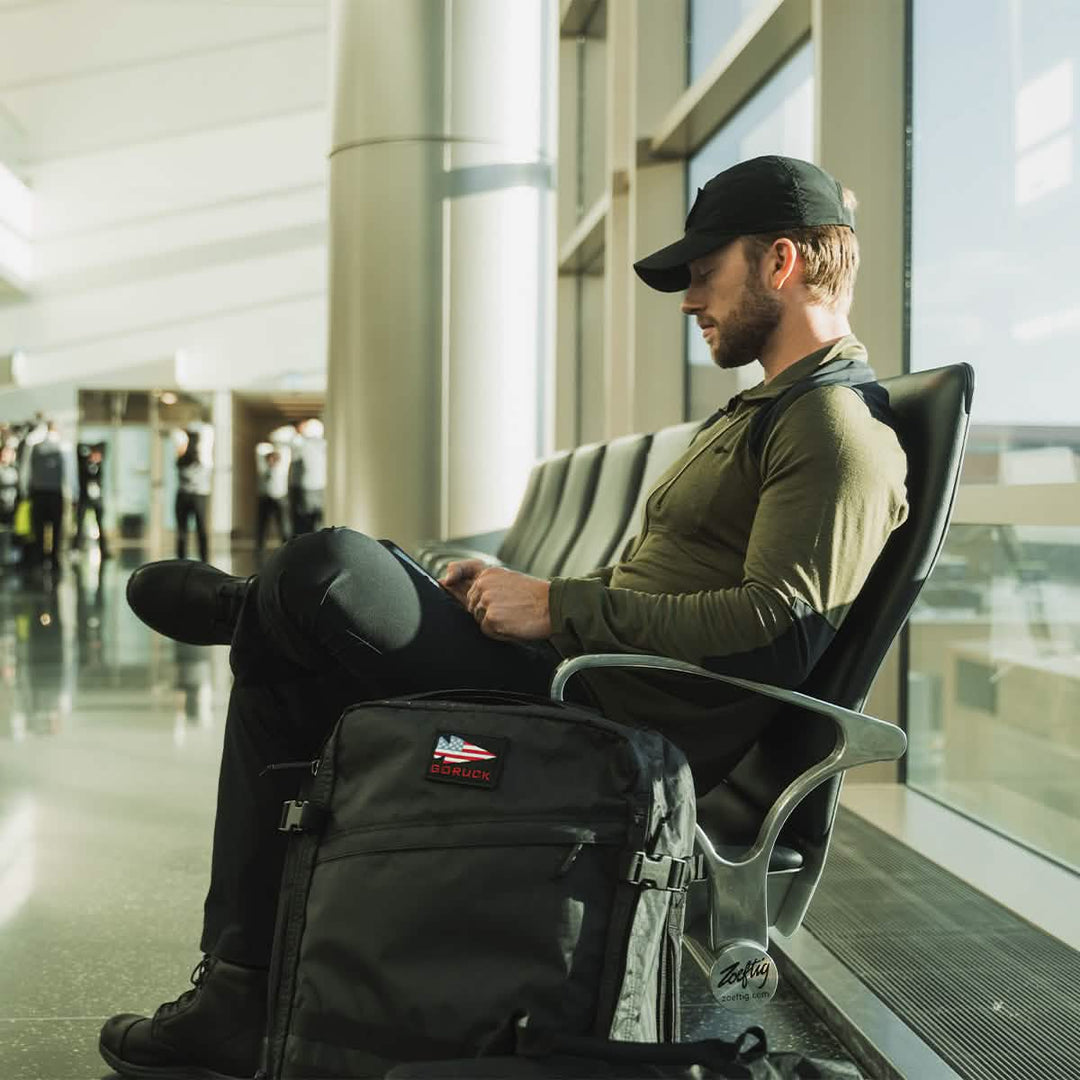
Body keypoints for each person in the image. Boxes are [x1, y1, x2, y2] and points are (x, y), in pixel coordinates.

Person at [100, 156, 909, 1080]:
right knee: (287, 655)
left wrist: (559, 608)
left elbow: (776, 630)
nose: (688, 299)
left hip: (610, 726)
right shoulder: (765, 413)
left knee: (325, 571)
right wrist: (525, 596)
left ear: (782, 263)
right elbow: (674, 583)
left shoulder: (836, 429)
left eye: (701, 270)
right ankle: (238, 993)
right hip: (582, 676)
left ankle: (261, 614)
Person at [25, 418, 72, 575]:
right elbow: (69, 473)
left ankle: (39, 558)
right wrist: (73, 493)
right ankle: (54, 559)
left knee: (39, 528)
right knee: (56, 528)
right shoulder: (62, 447)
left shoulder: (35, 446)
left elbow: (27, 471)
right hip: (55, 491)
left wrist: (25, 489)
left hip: (38, 491)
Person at [175, 423, 214, 562]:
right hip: (197, 495)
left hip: (187, 495)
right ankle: (204, 559)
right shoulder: (202, 457)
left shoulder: (185, 456)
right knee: (199, 530)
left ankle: (182, 560)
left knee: (184, 531)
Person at [287, 417, 326, 536]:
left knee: (303, 521)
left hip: (305, 487)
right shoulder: (323, 444)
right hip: (319, 486)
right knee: (316, 520)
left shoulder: (300, 443)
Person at [73, 441, 111, 559]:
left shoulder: (99, 466)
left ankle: (103, 550)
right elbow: (79, 449)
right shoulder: (84, 464)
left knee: (100, 524)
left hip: (96, 498)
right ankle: (76, 548)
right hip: (84, 497)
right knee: (80, 524)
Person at [254, 444, 289, 555]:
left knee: (283, 525)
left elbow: (285, 449)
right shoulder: (263, 469)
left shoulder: (282, 469)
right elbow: (260, 449)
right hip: (265, 497)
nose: (272, 461)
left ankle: (287, 547)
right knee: (262, 525)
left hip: (280, 498)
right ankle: (259, 548)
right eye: (269, 459)